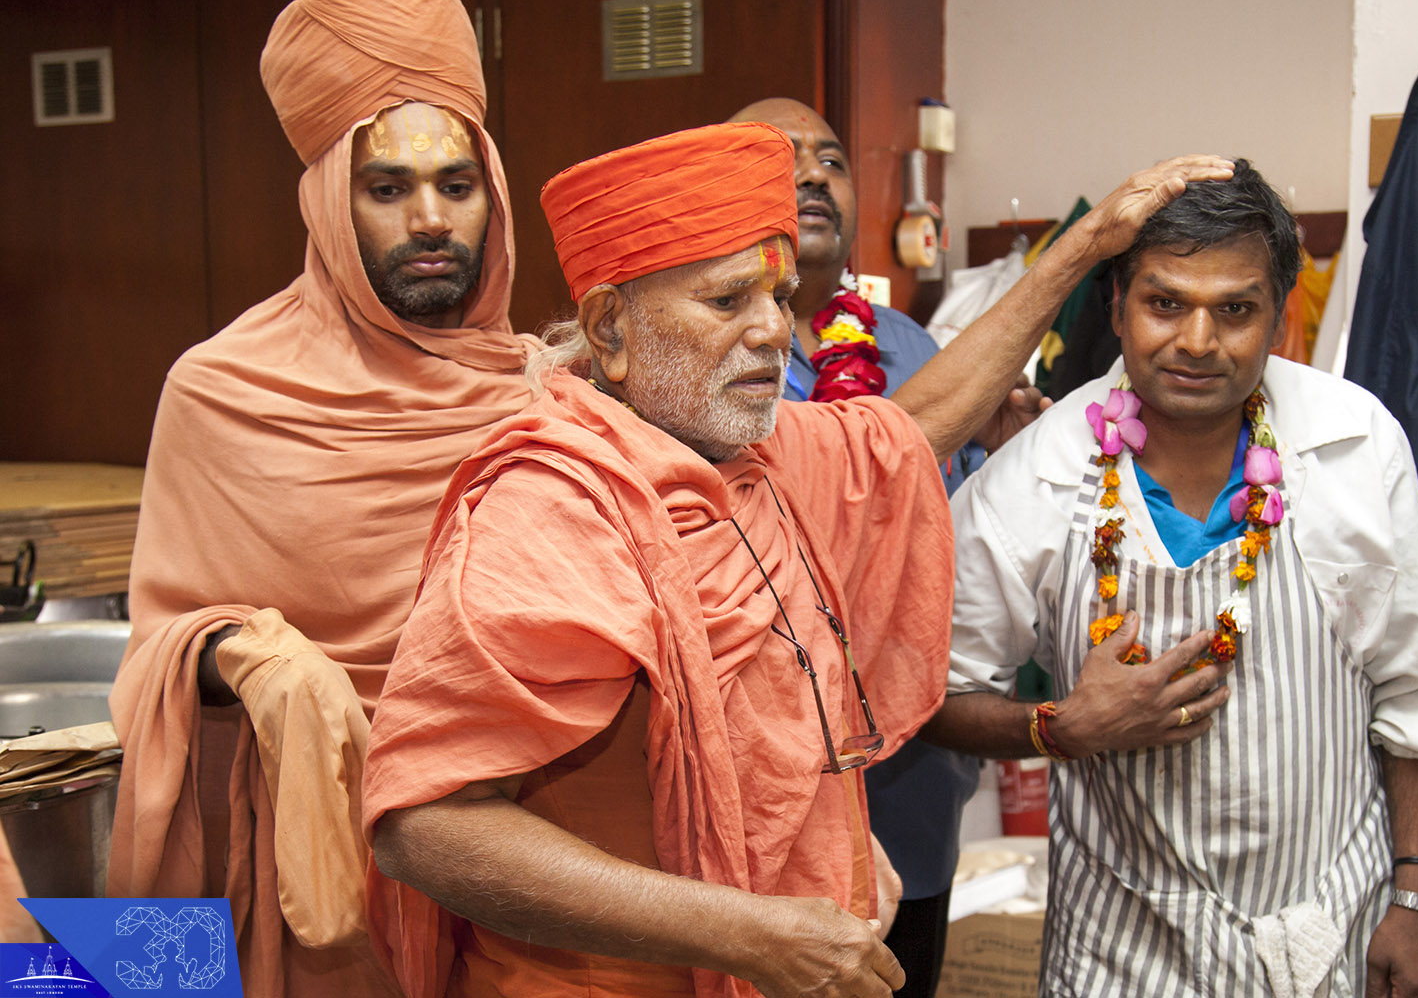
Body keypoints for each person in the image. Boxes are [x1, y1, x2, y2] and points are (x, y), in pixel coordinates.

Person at [360, 122, 1231, 998]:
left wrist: (1081, 249)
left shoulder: (750, 462)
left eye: (777, 296)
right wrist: (748, 929)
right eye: (727, 300)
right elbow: (424, 822)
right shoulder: (552, 510)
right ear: (611, 329)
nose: (774, 330)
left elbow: (912, 427)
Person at [921, 160, 1418, 998]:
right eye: (1165, 303)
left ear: (1277, 318)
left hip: (1323, 933)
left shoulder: (1352, 443)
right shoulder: (1035, 475)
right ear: (1116, 308)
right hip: (1119, 951)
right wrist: (1059, 726)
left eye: (1234, 309)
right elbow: (929, 690)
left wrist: (1416, 896)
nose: (1196, 340)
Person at [106, 0, 536, 995]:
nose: (431, 218)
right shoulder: (222, 389)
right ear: (328, 201)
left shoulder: (540, 391)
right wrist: (248, 656)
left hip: (514, 877)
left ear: (495, 195)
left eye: (456, 184)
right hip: (303, 907)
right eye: (386, 188)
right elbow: (155, 652)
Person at [727, 96, 1006, 998]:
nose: (812, 174)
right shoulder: (706, 348)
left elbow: (944, 540)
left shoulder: (911, 346)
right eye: (778, 156)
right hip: (764, 816)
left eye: (832, 160)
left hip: (912, 795)